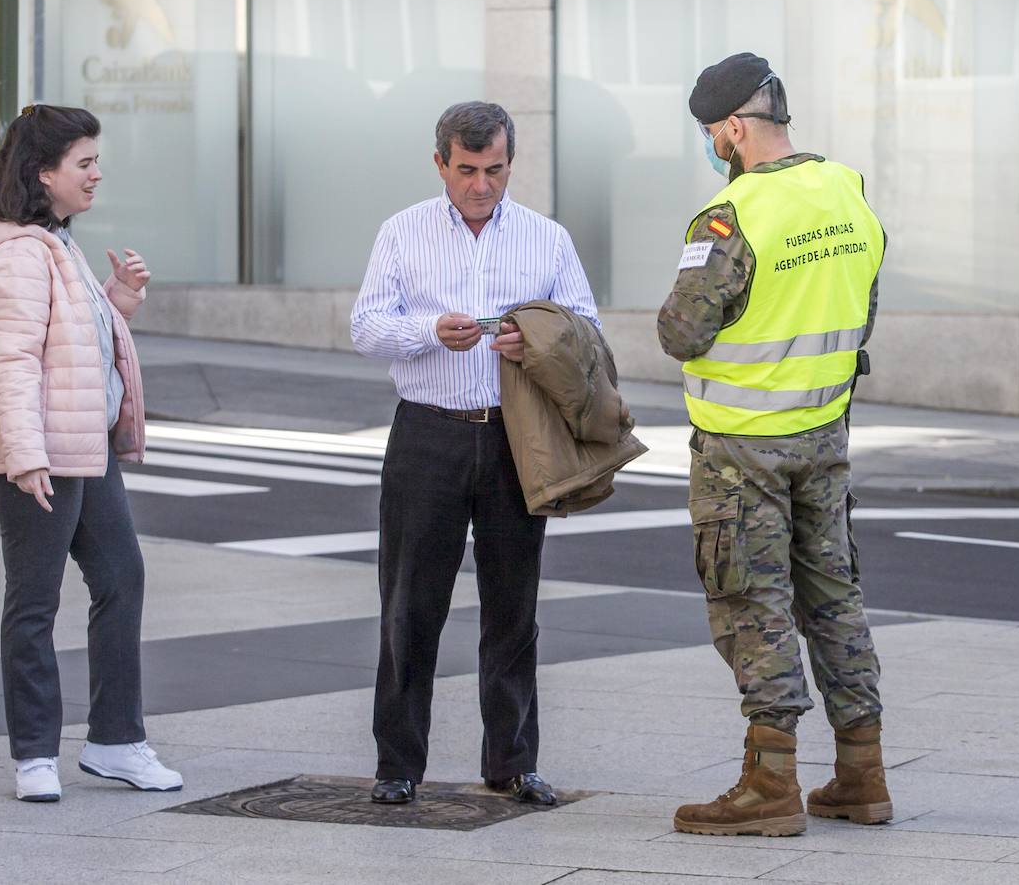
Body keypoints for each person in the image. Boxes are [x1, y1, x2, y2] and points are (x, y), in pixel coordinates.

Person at [658, 53, 892, 837]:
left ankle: (771, 783)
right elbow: (863, 307)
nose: (711, 146)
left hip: (741, 449)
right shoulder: (847, 191)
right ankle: (862, 771)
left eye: (709, 132)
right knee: (834, 595)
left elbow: (681, 330)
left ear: (731, 130)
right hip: (824, 436)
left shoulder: (731, 216)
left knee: (752, 604)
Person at [351, 101, 600, 807]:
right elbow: (367, 326)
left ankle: (513, 763)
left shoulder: (546, 239)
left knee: (513, 606)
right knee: (408, 604)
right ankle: (398, 765)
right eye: (466, 171)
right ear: (441, 165)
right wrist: (431, 331)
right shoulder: (402, 232)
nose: (481, 186)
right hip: (426, 431)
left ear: (510, 164)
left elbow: (587, 324)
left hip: (513, 437)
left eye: (494, 170)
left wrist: (538, 340)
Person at [0, 104, 182, 803]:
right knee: (34, 600)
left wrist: (121, 297)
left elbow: (73, 342)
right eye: (83, 163)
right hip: (40, 453)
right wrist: (23, 457)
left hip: (83, 445)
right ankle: (34, 755)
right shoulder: (21, 254)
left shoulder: (54, 241)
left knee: (121, 578)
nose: (96, 173)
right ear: (42, 173)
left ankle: (116, 741)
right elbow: (13, 362)